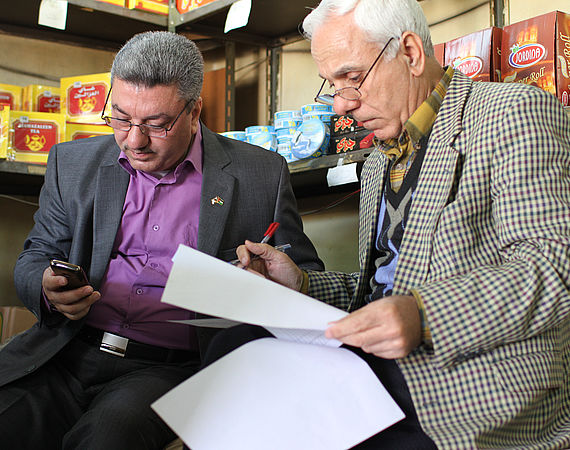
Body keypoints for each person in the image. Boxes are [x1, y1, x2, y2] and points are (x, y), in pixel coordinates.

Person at [223, 0, 570, 448]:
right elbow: (387, 289)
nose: (343, 105)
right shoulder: (378, 163)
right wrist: (303, 285)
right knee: (236, 347)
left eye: (352, 77)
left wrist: (424, 316)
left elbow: (554, 266)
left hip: (467, 381)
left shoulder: (512, 114)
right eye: (332, 86)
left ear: (410, 53)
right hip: (384, 365)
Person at [0, 31, 323, 449]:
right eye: (120, 118)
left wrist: (267, 285)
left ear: (194, 111)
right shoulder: (73, 163)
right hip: (64, 349)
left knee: (106, 440)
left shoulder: (260, 175)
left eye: (156, 125)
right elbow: (35, 256)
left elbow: (305, 278)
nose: (134, 140)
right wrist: (47, 288)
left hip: (168, 369)